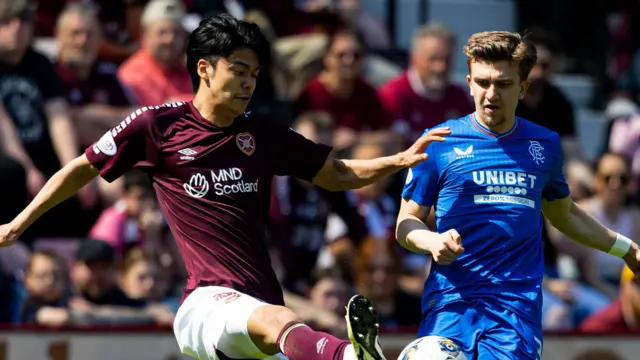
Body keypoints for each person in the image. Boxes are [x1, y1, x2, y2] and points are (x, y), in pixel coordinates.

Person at [0, 14, 449, 360]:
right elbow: (81, 168)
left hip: (262, 310)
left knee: (280, 323)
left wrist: (397, 160)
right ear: (205, 69)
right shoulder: (159, 124)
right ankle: (352, 355)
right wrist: (18, 222)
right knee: (283, 321)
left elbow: (336, 172)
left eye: (254, 74)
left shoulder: (263, 133)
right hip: (205, 303)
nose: (249, 83)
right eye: (239, 70)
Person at [395, 30, 640, 360]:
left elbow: (564, 214)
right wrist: (431, 241)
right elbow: (405, 224)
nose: (490, 94)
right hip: (450, 304)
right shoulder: (438, 141)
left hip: (514, 313)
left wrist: (625, 248)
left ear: (523, 87)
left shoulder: (545, 145)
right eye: (482, 82)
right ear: (468, 82)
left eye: (504, 84)